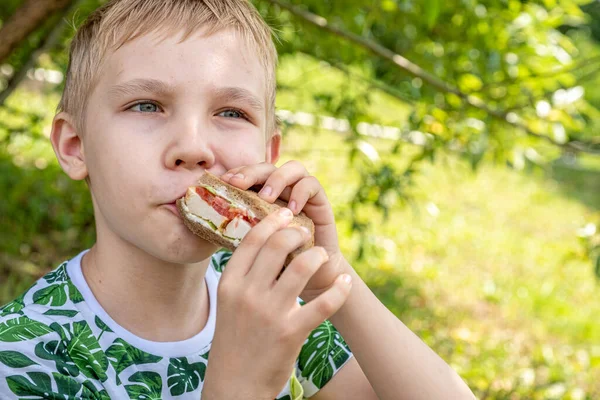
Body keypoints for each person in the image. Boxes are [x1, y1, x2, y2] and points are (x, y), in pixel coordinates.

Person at [0, 0, 475, 399]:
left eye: (231, 112)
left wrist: (332, 276)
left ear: (269, 153)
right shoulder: (23, 356)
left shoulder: (265, 295)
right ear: (75, 146)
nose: (194, 148)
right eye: (146, 105)